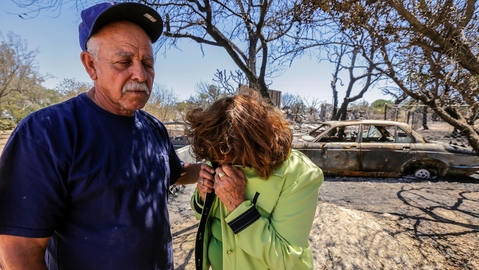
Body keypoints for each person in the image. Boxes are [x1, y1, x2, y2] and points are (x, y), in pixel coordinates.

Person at [0, 2, 200, 269]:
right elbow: (19, 253)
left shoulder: (153, 127)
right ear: (91, 65)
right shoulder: (47, 133)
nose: (140, 74)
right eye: (124, 61)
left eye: (148, 63)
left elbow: (175, 172)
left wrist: (218, 167)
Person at [185, 93, 324, 270]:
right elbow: (202, 215)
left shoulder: (299, 175)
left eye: (230, 153)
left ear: (255, 142)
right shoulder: (219, 156)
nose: (221, 162)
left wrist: (237, 205)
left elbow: (283, 257)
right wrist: (204, 197)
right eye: (215, 155)